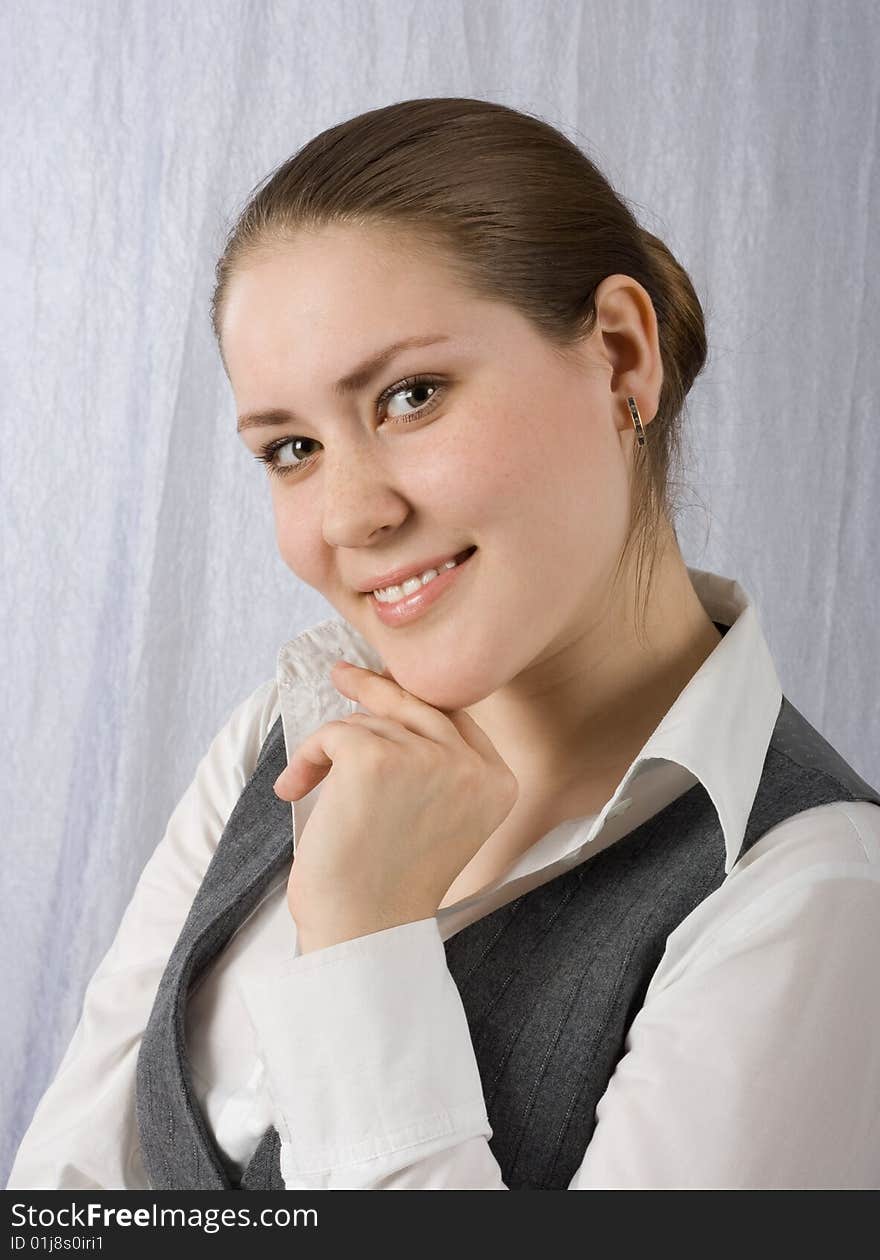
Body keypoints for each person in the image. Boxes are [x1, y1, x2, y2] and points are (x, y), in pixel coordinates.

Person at [7, 97, 880, 1192]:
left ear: (620, 355)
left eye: (410, 397)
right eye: (291, 449)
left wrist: (365, 938)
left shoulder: (816, 891)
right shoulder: (283, 736)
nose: (349, 515)